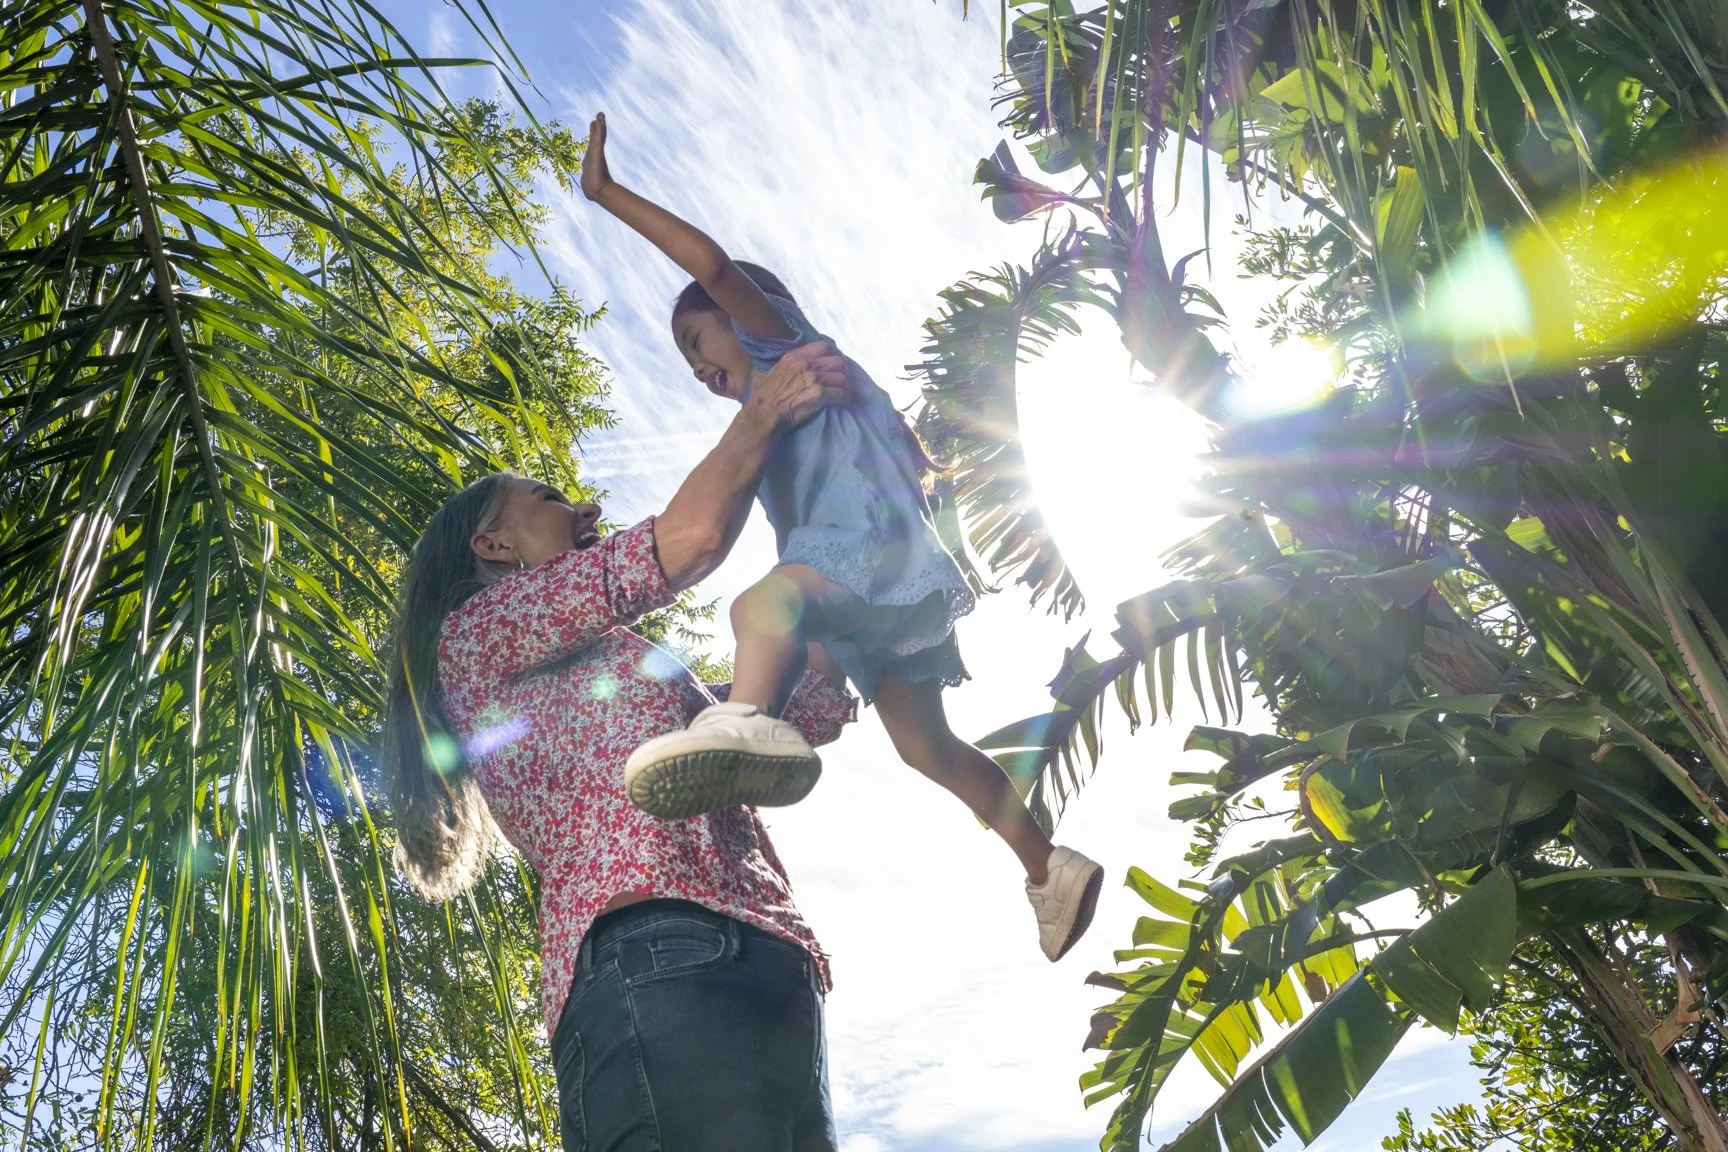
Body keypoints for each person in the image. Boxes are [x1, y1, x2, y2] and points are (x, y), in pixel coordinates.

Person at [580, 111, 1102, 963]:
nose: (698, 365)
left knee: (766, 600)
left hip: (861, 555)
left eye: (695, 339)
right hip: (884, 589)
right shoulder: (778, 406)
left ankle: (749, 719)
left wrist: (607, 194)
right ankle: (1049, 868)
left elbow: (710, 265)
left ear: (740, 314)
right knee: (926, 747)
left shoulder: (782, 339)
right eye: (687, 362)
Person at [383, 343, 856, 1152]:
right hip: (653, 957)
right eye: (547, 495)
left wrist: (832, 561)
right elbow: (692, 536)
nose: (582, 507)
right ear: (492, 545)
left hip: (773, 963)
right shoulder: (479, 637)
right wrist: (766, 411)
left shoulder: (628, 659)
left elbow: (802, 713)